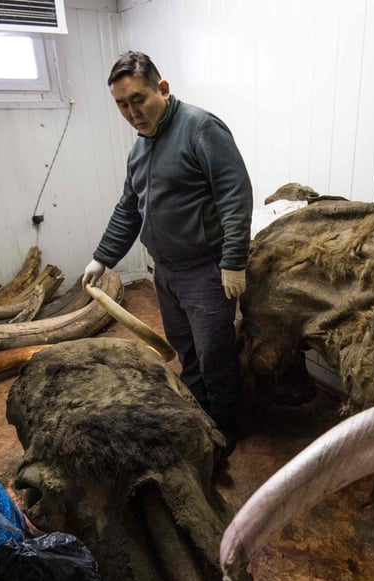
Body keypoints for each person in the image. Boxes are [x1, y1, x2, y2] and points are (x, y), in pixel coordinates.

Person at [82, 51, 252, 453]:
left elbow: (235, 195)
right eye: (122, 104)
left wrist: (233, 261)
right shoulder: (140, 148)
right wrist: (102, 257)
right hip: (168, 273)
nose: (131, 112)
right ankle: (200, 422)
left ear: (162, 88)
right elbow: (129, 208)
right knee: (187, 355)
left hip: (206, 272)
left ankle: (225, 434)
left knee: (215, 360)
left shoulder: (200, 128)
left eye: (138, 99)